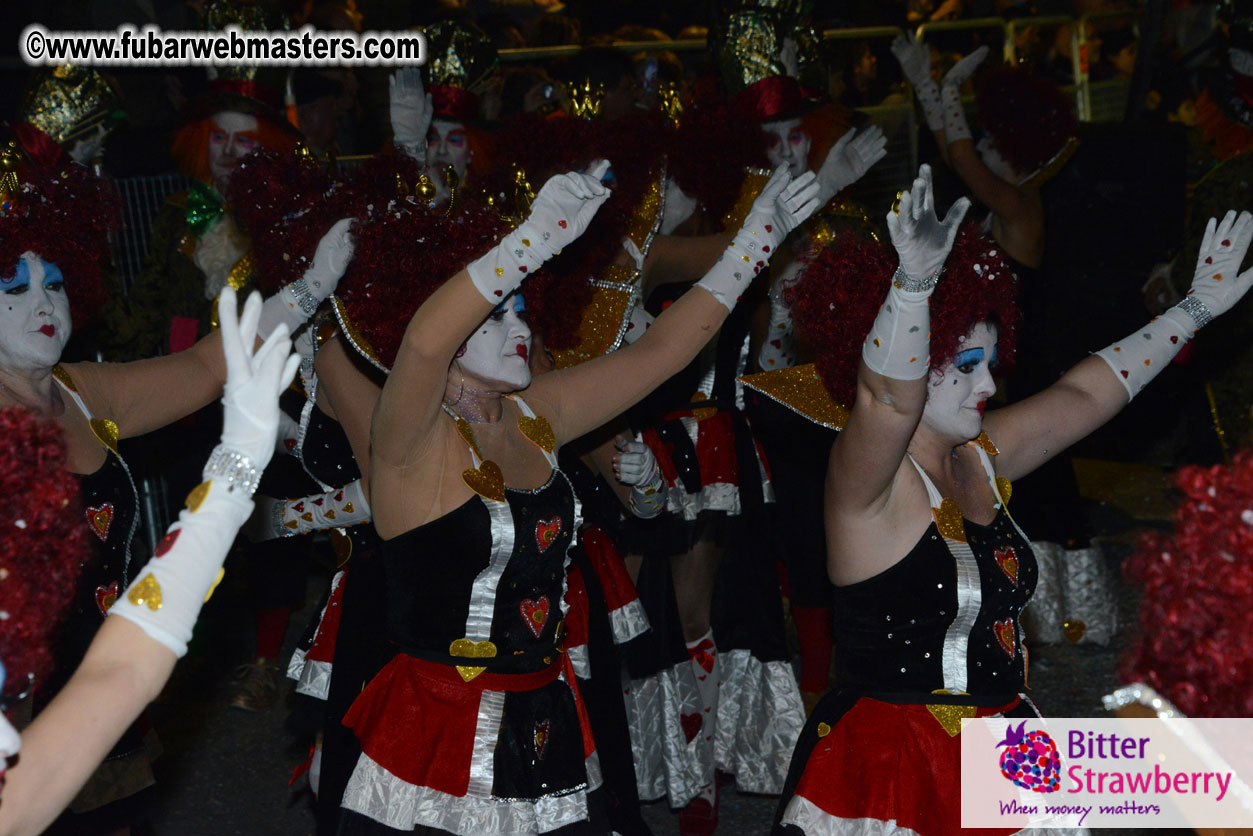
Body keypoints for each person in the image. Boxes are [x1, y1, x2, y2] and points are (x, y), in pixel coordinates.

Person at [328, 156, 820, 833]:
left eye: (523, 310)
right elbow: (422, 344)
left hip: (544, 715)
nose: (521, 328)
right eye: (496, 316)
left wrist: (755, 241)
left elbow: (664, 354)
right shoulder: (413, 437)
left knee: (1010, 814)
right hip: (437, 733)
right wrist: (533, 239)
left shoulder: (533, 414)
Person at [764, 165, 1253, 835]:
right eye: (964, 365)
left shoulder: (978, 454)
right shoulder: (867, 482)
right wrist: (910, 289)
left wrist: (1191, 310)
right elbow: (885, 399)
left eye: (991, 360)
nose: (987, 382)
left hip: (1002, 739)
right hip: (897, 756)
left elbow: (1084, 395)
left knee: (1214, 784)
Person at [0, 288, 298, 836]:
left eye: (57, 284)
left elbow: (207, 363)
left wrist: (316, 284)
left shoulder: (78, 389)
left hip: (111, 671)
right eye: (15, 287)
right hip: (28, 700)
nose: (44, 305)